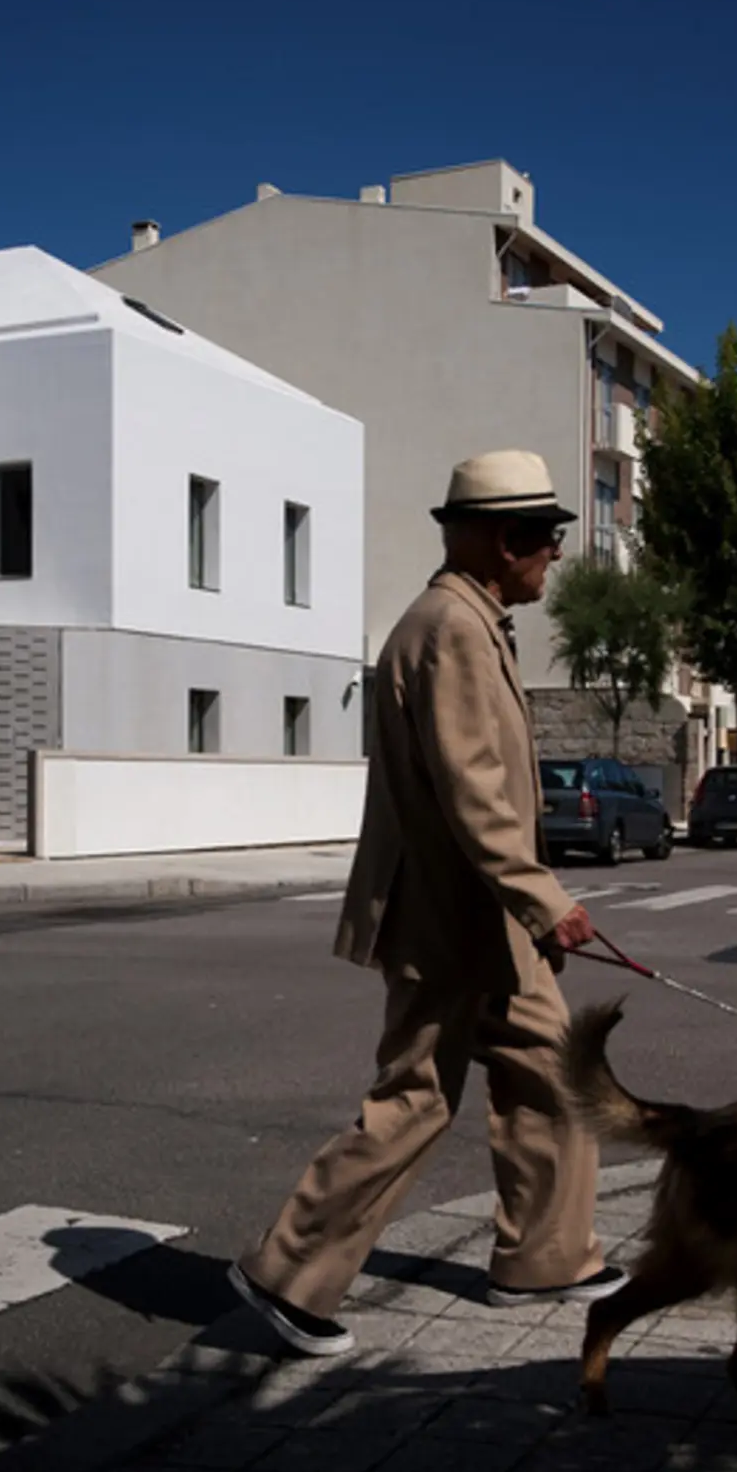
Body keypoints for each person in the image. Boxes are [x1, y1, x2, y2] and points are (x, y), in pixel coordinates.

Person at [227, 449, 618, 1358]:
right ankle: (284, 1276)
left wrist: (524, 905)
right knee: (415, 1099)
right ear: (495, 539)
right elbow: (473, 787)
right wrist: (541, 898)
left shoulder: (471, 621)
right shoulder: (448, 627)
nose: (553, 555)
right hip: (452, 920)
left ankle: (547, 1259)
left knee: (554, 1072)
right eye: (542, 537)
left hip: (481, 917)